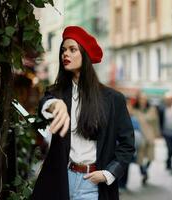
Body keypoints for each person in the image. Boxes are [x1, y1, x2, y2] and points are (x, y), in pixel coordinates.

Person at [31, 26, 135, 200]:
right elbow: (45, 103)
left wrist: (108, 174)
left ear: (84, 55)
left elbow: (127, 144)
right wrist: (54, 105)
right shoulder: (57, 93)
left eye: (72, 50)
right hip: (61, 180)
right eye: (63, 50)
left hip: (93, 183)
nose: (66, 54)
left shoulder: (113, 99)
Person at [134, 92, 160, 185]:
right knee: (140, 157)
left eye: (144, 99)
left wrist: (157, 134)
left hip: (150, 135)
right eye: (141, 99)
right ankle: (143, 172)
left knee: (150, 157)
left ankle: (145, 169)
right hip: (140, 137)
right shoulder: (134, 110)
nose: (143, 101)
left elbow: (156, 123)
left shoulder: (152, 109)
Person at [158, 92, 172, 174]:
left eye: (171, 100)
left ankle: (168, 161)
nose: (169, 101)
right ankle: (169, 165)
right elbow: (159, 121)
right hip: (166, 132)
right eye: (167, 100)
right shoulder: (162, 109)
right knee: (170, 149)